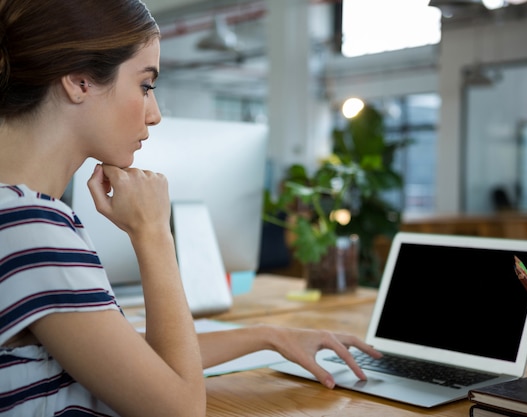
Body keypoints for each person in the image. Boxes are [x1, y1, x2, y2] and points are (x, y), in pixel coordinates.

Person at [0, 1, 381, 416]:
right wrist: (153, 232)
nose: (155, 113)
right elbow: (180, 410)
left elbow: (130, 364)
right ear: (79, 81)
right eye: (146, 85)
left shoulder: (21, 217)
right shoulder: (31, 229)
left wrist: (270, 336)